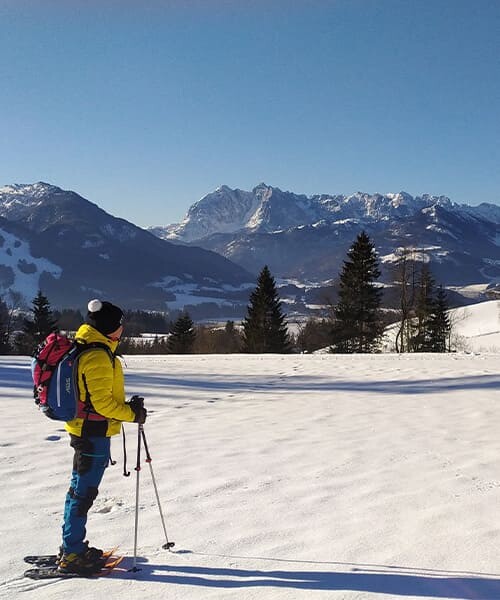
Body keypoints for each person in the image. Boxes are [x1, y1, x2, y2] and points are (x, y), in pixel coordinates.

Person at [58, 299, 147, 574]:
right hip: (92, 432)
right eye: (119, 324)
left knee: (78, 489)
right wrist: (132, 414)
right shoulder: (97, 355)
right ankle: (72, 553)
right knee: (83, 493)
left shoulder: (91, 346)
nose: (122, 329)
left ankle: (71, 546)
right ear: (109, 327)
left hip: (86, 429)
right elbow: (102, 405)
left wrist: (128, 409)